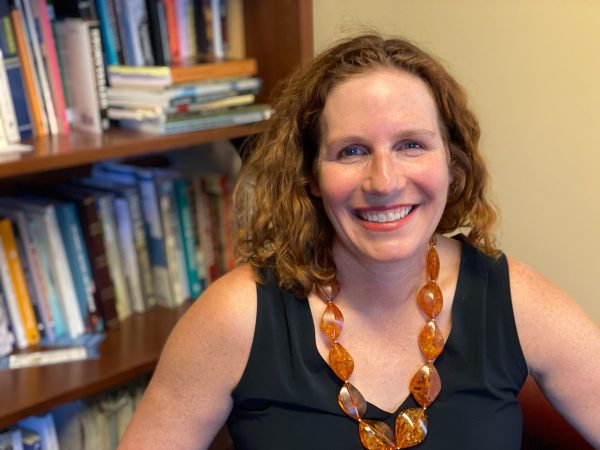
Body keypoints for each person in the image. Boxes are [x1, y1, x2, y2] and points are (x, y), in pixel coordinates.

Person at [118, 34, 600, 449]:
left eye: (411, 144)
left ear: (452, 165)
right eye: (352, 151)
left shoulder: (513, 297)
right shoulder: (235, 316)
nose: (384, 180)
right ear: (309, 175)